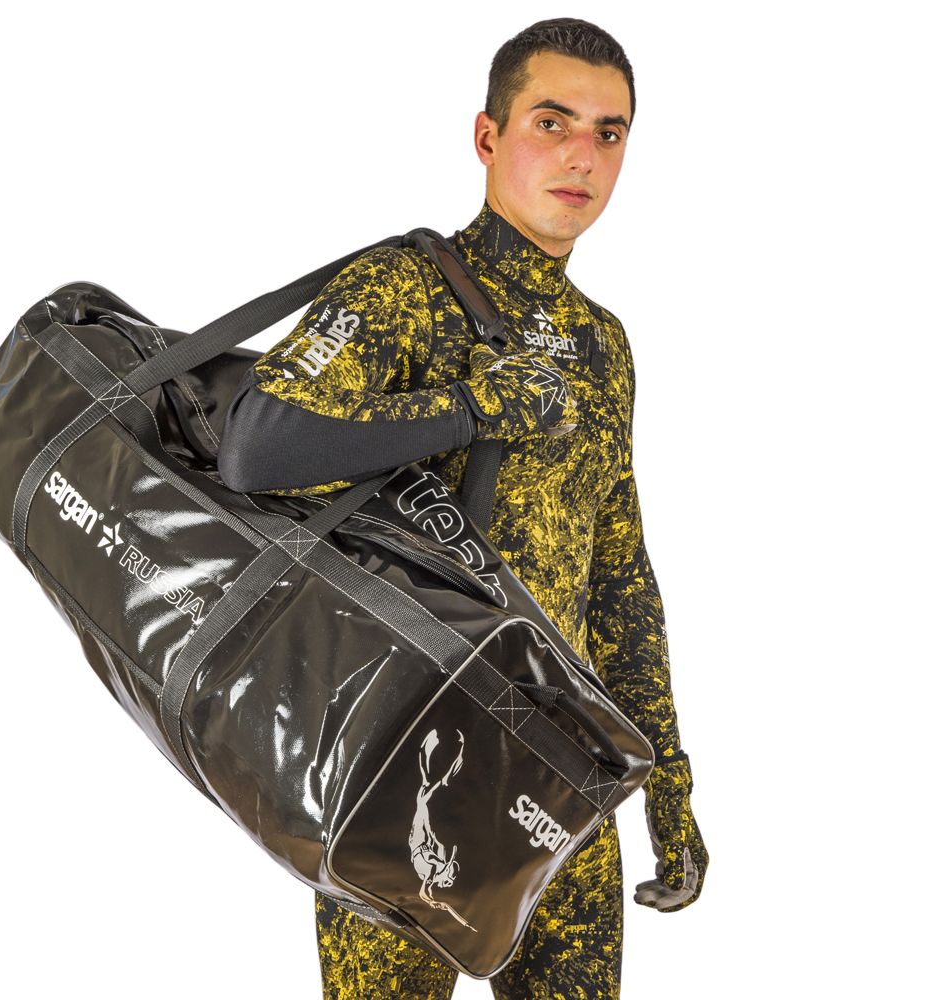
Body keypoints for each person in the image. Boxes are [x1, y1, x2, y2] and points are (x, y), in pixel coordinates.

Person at [216, 17, 707, 1000]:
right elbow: (257, 445)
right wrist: (469, 407)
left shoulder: (603, 345)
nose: (581, 155)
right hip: (401, 773)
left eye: (609, 133)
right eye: (552, 122)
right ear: (487, 136)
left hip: (562, 778)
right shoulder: (402, 288)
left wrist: (669, 783)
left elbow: (619, 577)